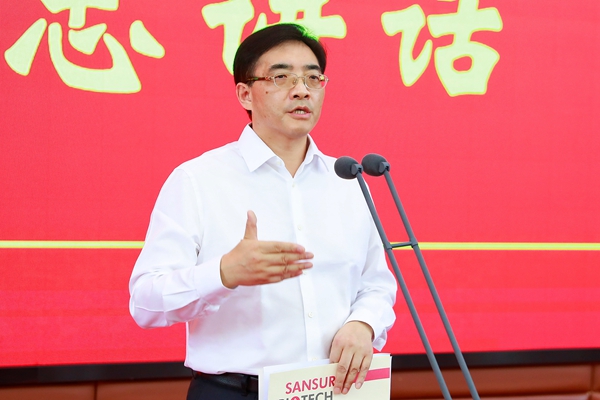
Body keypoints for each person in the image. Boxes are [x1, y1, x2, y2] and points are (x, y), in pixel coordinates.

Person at [129, 23, 397, 400]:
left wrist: (364, 324)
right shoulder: (198, 180)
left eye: (313, 78)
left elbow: (376, 284)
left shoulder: (347, 181)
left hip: (335, 389)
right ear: (245, 93)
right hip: (235, 391)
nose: (301, 90)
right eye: (281, 77)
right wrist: (224, 273)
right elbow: (145, 302)